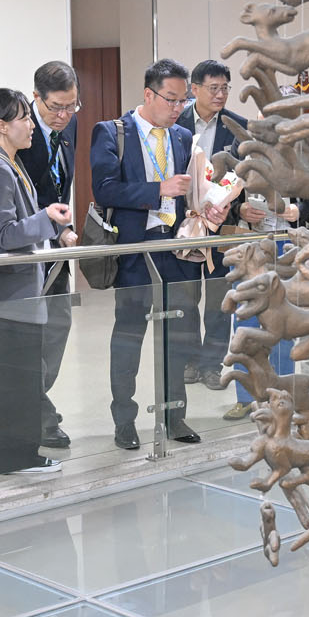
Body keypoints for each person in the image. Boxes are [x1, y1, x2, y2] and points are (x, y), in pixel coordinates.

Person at [91, 58, 204, 450]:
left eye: (183, 101)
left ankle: (174, 416)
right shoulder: (112, 132)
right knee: (128, 338)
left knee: (178, 337)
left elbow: (190, 190)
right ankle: (124, 420)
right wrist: (158, 189)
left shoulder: (183, 137)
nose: (177, 108)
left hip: (176, 250)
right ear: (148, 94)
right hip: (135, 252)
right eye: (171, 99)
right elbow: (105, 189)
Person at [0, 88, 76, 476]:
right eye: (24, 118)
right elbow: (6, 233)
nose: (32, 125)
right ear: (1, 125)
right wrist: (47, 219)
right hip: (11, 292)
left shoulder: (7, 162)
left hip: (8, 290)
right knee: (18, 377)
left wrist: (48, 220)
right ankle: (19, 456)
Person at [179, 60, 254, 388]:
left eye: (225, 88)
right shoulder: (176, 121)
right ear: (194, 89)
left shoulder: (239, 126)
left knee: (219, 300)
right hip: (184, 224)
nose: (220, 94)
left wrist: (235, 206)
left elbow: (245, 177)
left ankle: (212, 364)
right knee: (184, 297)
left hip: (223, 224)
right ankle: (189, 360)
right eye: (213, 88)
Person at [20, 61, 81, 448]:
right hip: (23, 253)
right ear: (36, 98)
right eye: (55, 107)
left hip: (55, 253)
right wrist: (56, 228)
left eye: (71, 106)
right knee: (29, 338)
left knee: (58, 326)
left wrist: (64, 229)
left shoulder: (69, 126)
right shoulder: (18, 129)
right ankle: (36, 413)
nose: (63, 115)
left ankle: (36, 402)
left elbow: (58, 188)